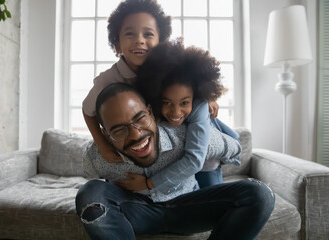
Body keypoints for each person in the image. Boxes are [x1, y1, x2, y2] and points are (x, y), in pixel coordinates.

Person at [76, 83, 275, 240]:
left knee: (260, 194)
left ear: (151, 112)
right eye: (119, 130)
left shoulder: (185, 136)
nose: (136, 135)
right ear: (105, 135)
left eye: (140, 118)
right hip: (137, 211)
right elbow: (89, 174)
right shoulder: (97, 156)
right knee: (90, 191)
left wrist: (203, 139)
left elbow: (235, 147)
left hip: (187, 208)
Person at [82, 0, 219, 163]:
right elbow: (87, 110)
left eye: (148, 34)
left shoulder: (169, 65)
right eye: (130, 34)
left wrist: (209, 97)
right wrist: (102, 144)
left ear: (160, 42)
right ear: (117, 45)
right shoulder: (108, 80)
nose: (139, 40)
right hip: (147, 144)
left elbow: (193, 76)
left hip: (190, 129)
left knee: (221, 140)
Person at [133, 40, 241, 189]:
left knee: (213, 205)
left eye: (184, 103)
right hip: (175, 165)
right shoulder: (150, 108)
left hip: (206, 164)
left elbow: (195, 160)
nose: (176, 112)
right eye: (167, 102)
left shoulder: (200, 106)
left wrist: (149, 184)